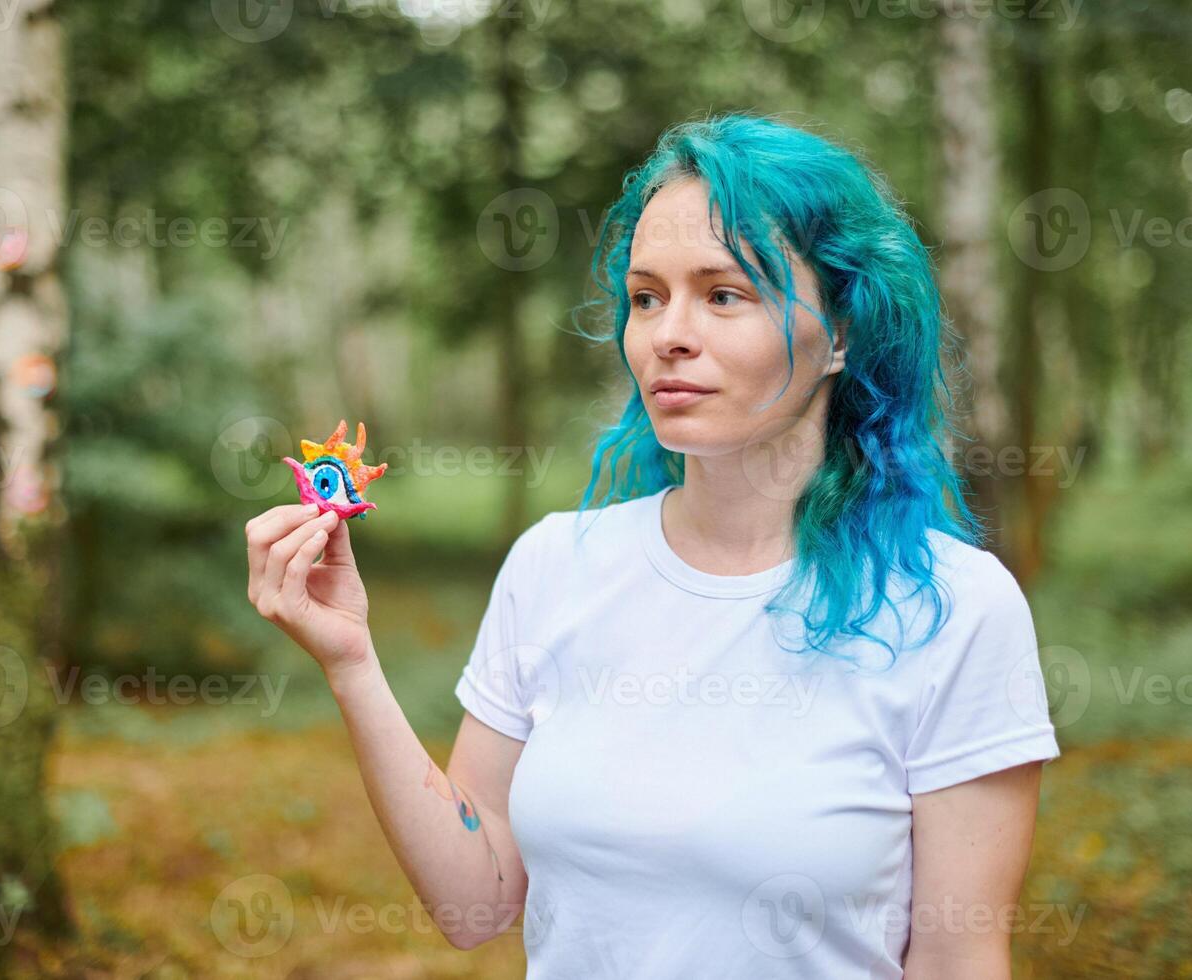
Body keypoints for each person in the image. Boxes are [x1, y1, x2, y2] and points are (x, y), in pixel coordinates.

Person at [244, 112, 1061, 978]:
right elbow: (474, 901)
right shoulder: (555, 566)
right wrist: (351, 661)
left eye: (724, 293)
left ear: (844, 333)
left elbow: (958, 958)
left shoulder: (952, 608)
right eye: (645, 296)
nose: (669, 332)